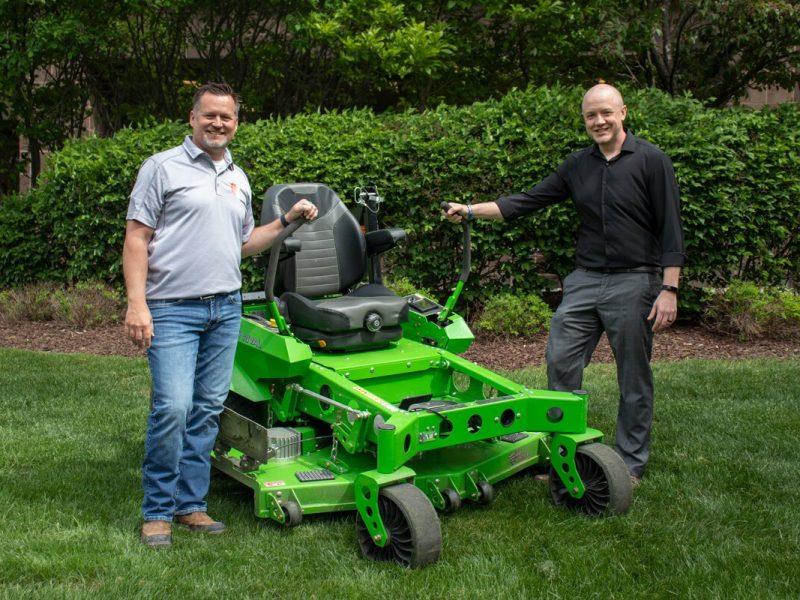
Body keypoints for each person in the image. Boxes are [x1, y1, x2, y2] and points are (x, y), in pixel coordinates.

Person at [443, 83, 685, 486]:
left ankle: (629, 463)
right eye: (591, 115)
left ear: (623, 112)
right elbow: (527, 200)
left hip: (634, 281)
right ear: (585, 120)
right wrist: (469, 210)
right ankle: (564, 454)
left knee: (633, 375)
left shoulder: (651, 161)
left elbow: (671, 228)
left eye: (606, 113)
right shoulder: (578, 166)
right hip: (585, 281)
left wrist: (669, 288)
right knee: (561, 362)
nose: (599, 121)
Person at [123, 82, 318, 548]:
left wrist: (287, 219)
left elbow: (244, 243)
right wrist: (137, 303)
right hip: (172, 308)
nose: (217, 124)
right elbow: (136, 238)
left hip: (225, 307)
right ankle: (157, 511)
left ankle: (191, 506)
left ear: (236, 123)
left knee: (208, 408)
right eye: (209, 115)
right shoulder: (161, 168)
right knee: (173, 406)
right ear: (192, 118)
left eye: (226, 118)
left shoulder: (237, 175)